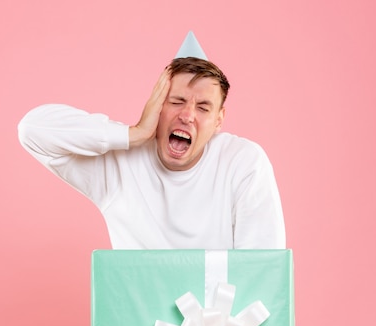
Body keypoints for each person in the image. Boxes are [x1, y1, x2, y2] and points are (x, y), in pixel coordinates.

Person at [18, 35, 285, 249]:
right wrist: (132, 133)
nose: (188, 115)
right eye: (176, 101)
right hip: (137, 315)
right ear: (156, 105)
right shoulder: (120, 165)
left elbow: (262, 265)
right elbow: (33, 129)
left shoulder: (243, 162)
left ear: (219, 119)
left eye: (203, 107)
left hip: (220, 316)